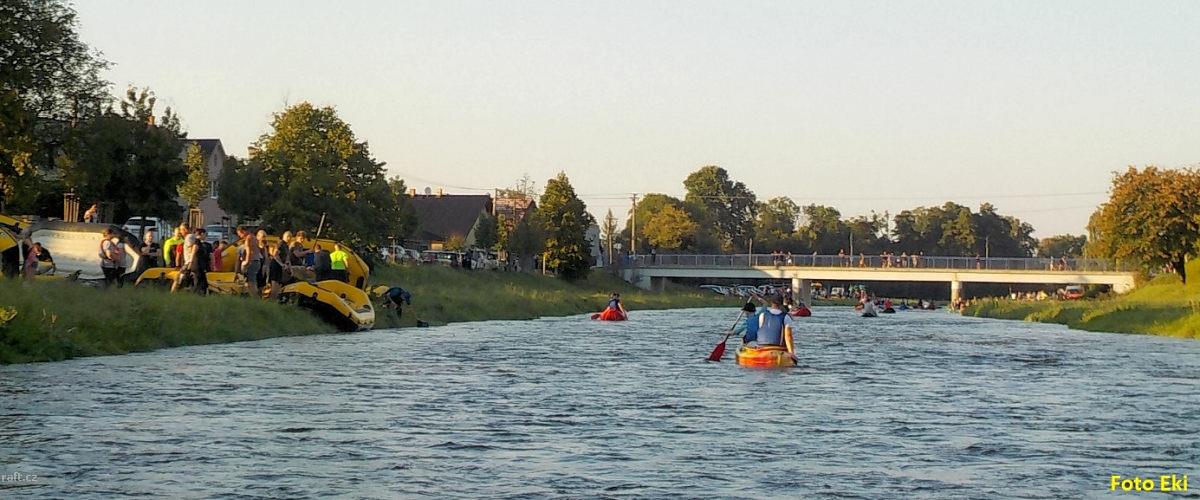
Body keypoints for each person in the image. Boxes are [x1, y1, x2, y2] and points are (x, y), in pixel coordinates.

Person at [237, 226, 262, 297]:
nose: (240, 236)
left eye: (240, 234)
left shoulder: (248, 239)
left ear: (243, 231)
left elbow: (249, 252)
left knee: (251, 283)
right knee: (252, 281)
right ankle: (253, 297)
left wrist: (246, 262)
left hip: (252, 262)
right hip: (257, 261)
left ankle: (255, 298)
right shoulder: (254, 238)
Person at [193, 228, 211, 295]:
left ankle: (200, 294)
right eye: (205, 234)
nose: (206, 236)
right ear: (202, 234)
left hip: (200, 264)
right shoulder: (197, 243)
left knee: (201, 280)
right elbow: (194, 254)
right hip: (199, 264)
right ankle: (199, 294)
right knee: (200, 280)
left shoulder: (198, 243)